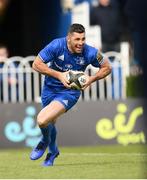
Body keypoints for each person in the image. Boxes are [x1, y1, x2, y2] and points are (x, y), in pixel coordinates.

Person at [30, 23, 111, 166]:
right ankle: (53, 151)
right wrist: (60, 75)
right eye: (77, 39)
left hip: (70, 93)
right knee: (50, 122)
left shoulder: (90, 52)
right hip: (49, 89)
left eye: (83, 39)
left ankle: (44, 141)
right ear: (68, 38)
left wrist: (91, 79)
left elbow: (107, 67)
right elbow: (36, 64)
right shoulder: (56, 45)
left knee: (42, 120)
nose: (81, 43)